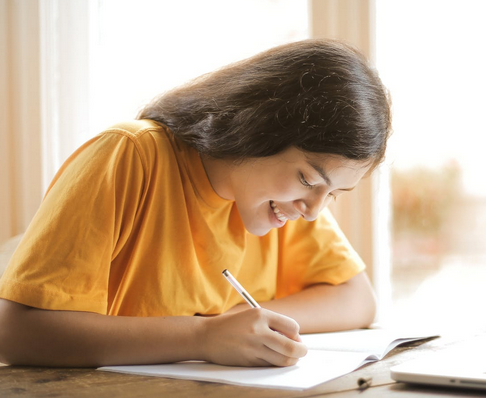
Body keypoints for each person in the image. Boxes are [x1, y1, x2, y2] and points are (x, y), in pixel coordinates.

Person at [0, 39, 392, 368]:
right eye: (308, 179)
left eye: (333, 194)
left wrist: (237, 324)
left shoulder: (287, 203)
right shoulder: (130, 155)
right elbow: (16, 332)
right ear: (255, 129)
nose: (314, 210)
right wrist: (202, 336)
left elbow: (357, 299)